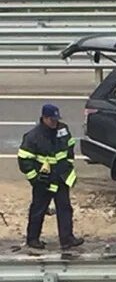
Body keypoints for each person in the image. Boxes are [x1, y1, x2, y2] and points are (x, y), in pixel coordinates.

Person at [17, 103, 84, 251]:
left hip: (61, 178)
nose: (55, 123)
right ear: (44, 118)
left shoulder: (63, 129)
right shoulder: (33, 136)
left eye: (56, 119)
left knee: (65, 208)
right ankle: (33, 239)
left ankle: (67, 239)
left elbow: (70, 147)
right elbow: (24, 160)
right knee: (38, 209)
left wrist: (68, 165)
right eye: (52, 120)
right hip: (44, 181)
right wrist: (35, 179)